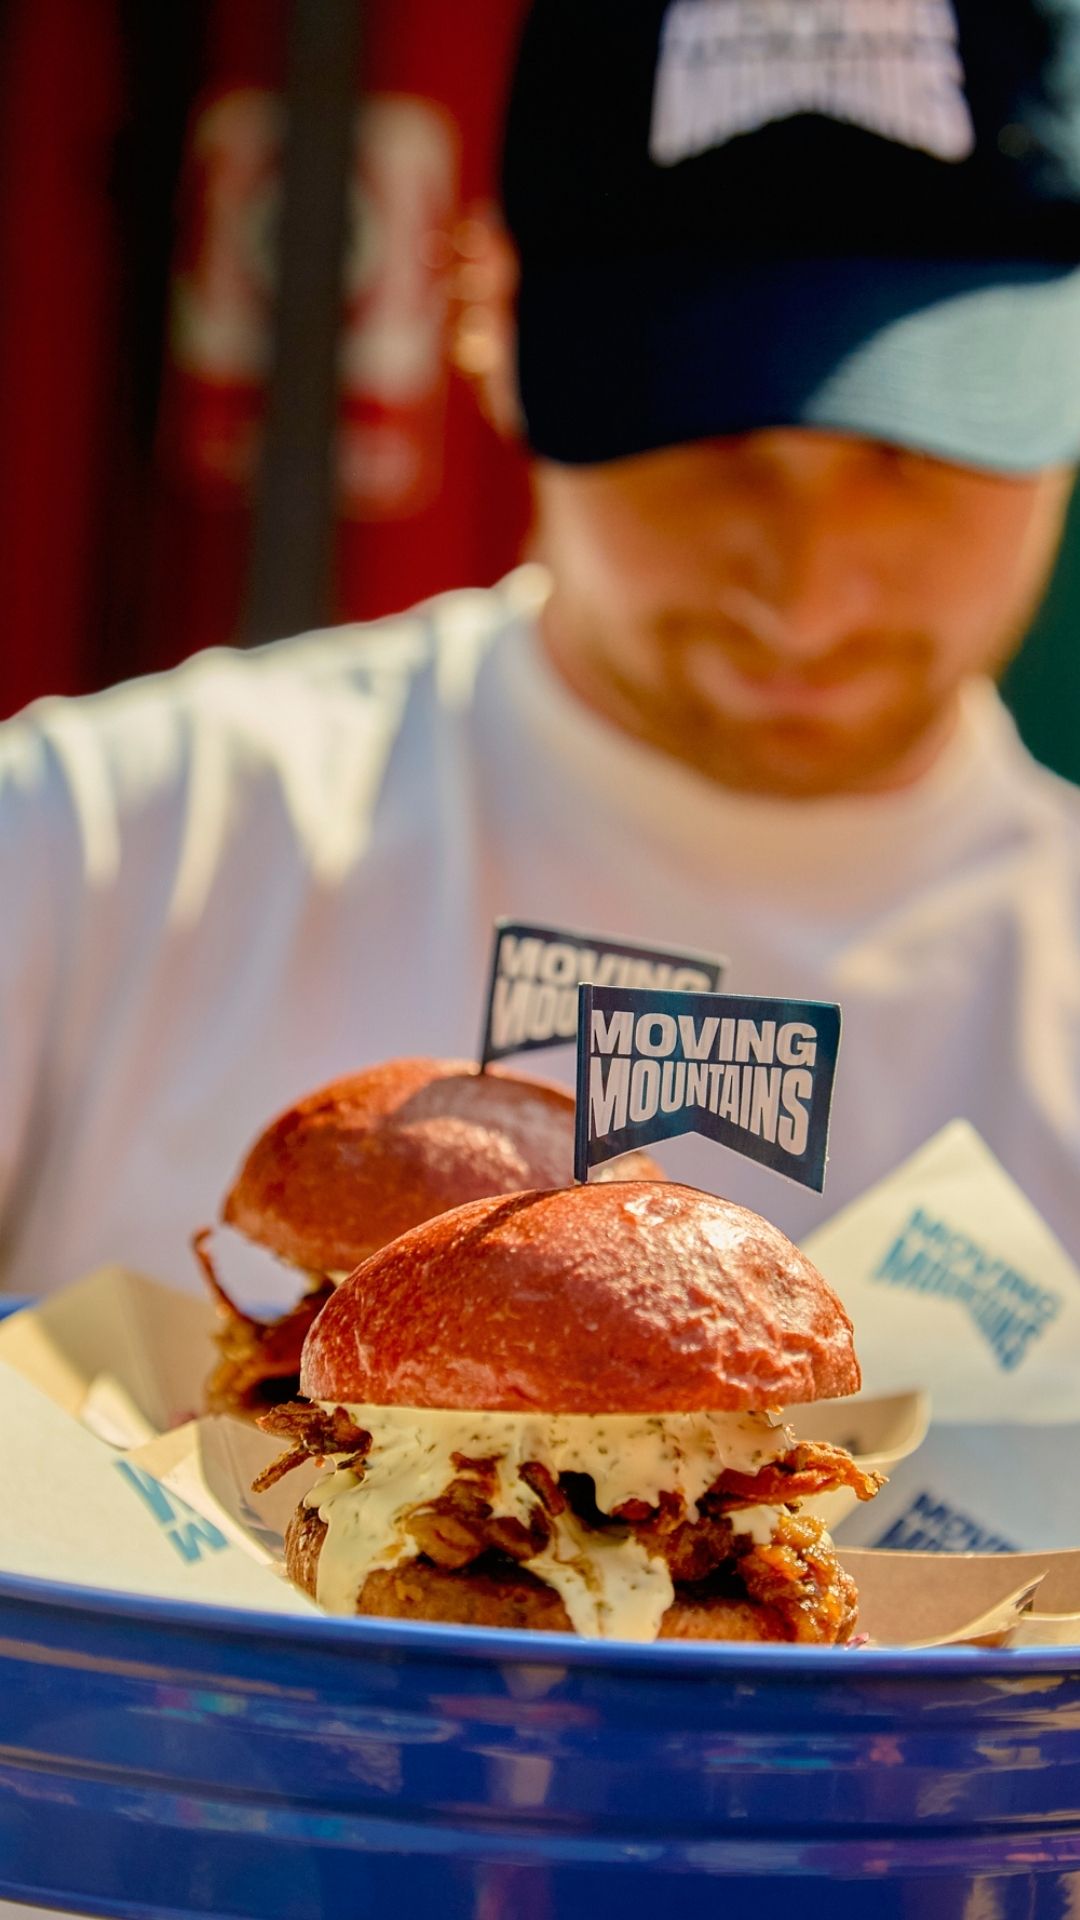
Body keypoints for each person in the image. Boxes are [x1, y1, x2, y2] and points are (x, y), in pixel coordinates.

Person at [3, 0, 1080, 1298]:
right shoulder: (91, 857)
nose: (807, 595)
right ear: (493, 314)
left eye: (921, 452)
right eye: (703, 435)